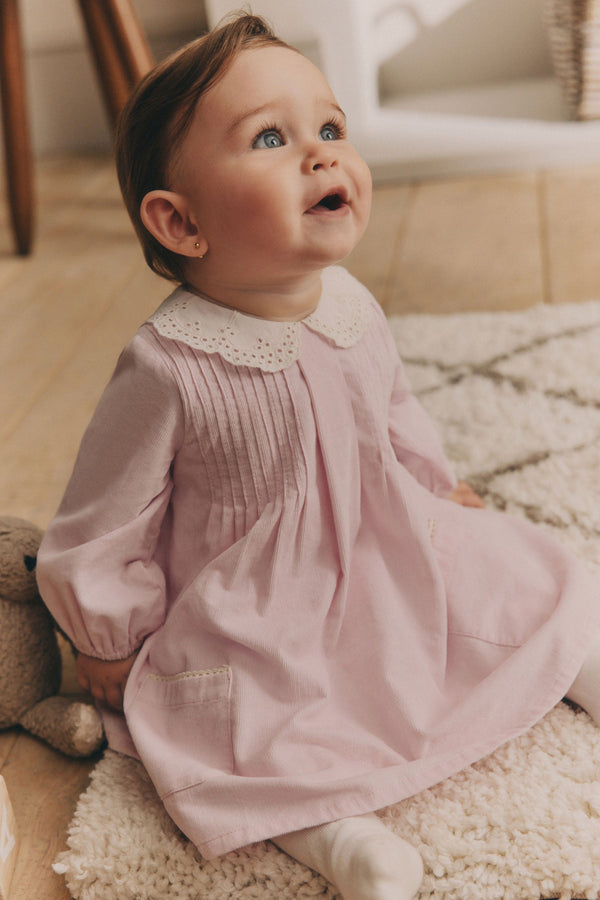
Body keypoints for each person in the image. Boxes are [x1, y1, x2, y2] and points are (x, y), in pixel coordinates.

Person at [37, 14, 600, 900]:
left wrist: (429, 482)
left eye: (330, 129)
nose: (322, 155)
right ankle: (343, 842)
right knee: (224, 732)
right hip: (257, 604)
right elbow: (104, 513)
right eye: (272, 138)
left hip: (384, 543)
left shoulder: (348, 304)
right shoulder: (169, 365)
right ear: (181, 223)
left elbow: (392, 408)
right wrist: (106, 631)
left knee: (518, 575)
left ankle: (577, 660)